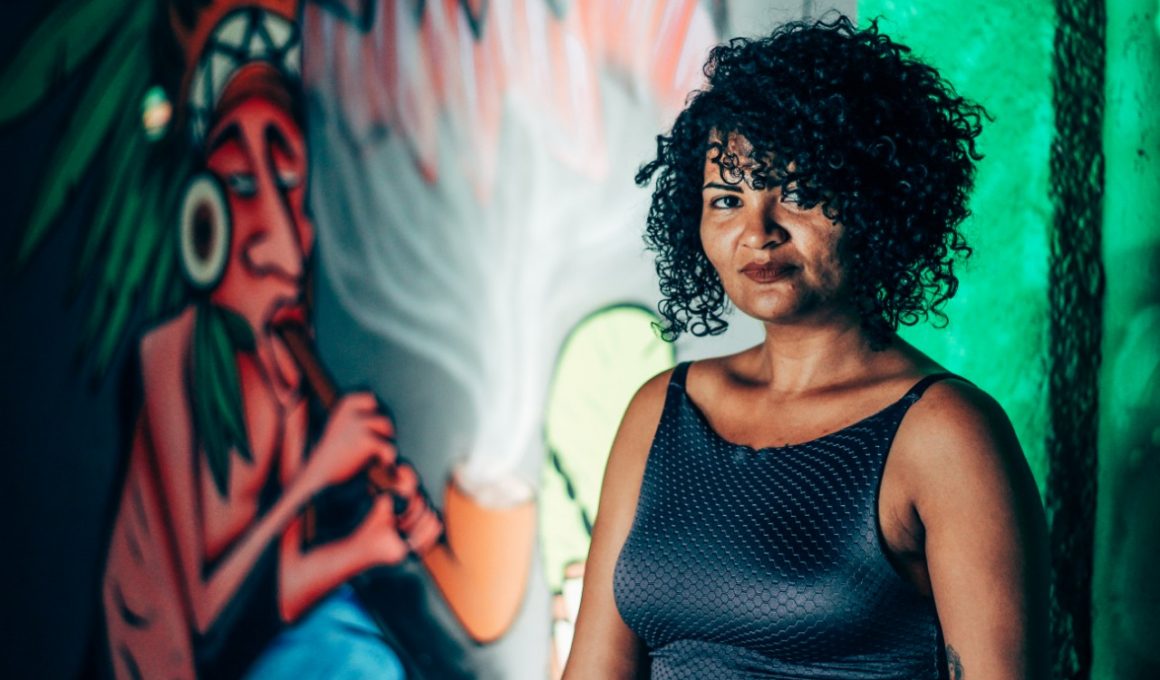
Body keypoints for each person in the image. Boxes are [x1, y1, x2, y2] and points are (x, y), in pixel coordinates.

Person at [563, 16, 1049, 680]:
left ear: (879, 203)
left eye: (800, 193)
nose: (757, 232)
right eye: (726, 199)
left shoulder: (945, 434)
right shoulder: (661, 410)